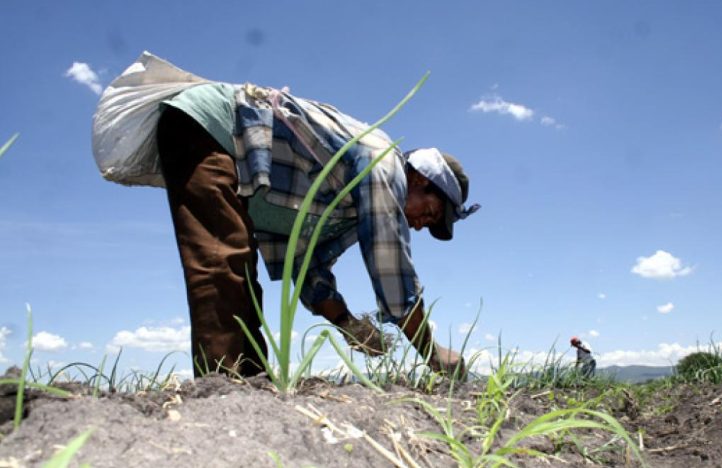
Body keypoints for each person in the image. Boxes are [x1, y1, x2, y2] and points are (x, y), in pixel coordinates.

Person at [92, 53, 479, 378]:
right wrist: (432, 352)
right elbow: (390, 260)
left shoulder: (344, 208)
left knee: (239, 275)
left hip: (224, 154)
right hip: (211, 128)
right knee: (220, 262)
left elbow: (305, 264)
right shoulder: (382, 164)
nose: (420, 224)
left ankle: (247, 383)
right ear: (420, 179)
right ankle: (221, 395)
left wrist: (349, 325)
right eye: (429, 213)